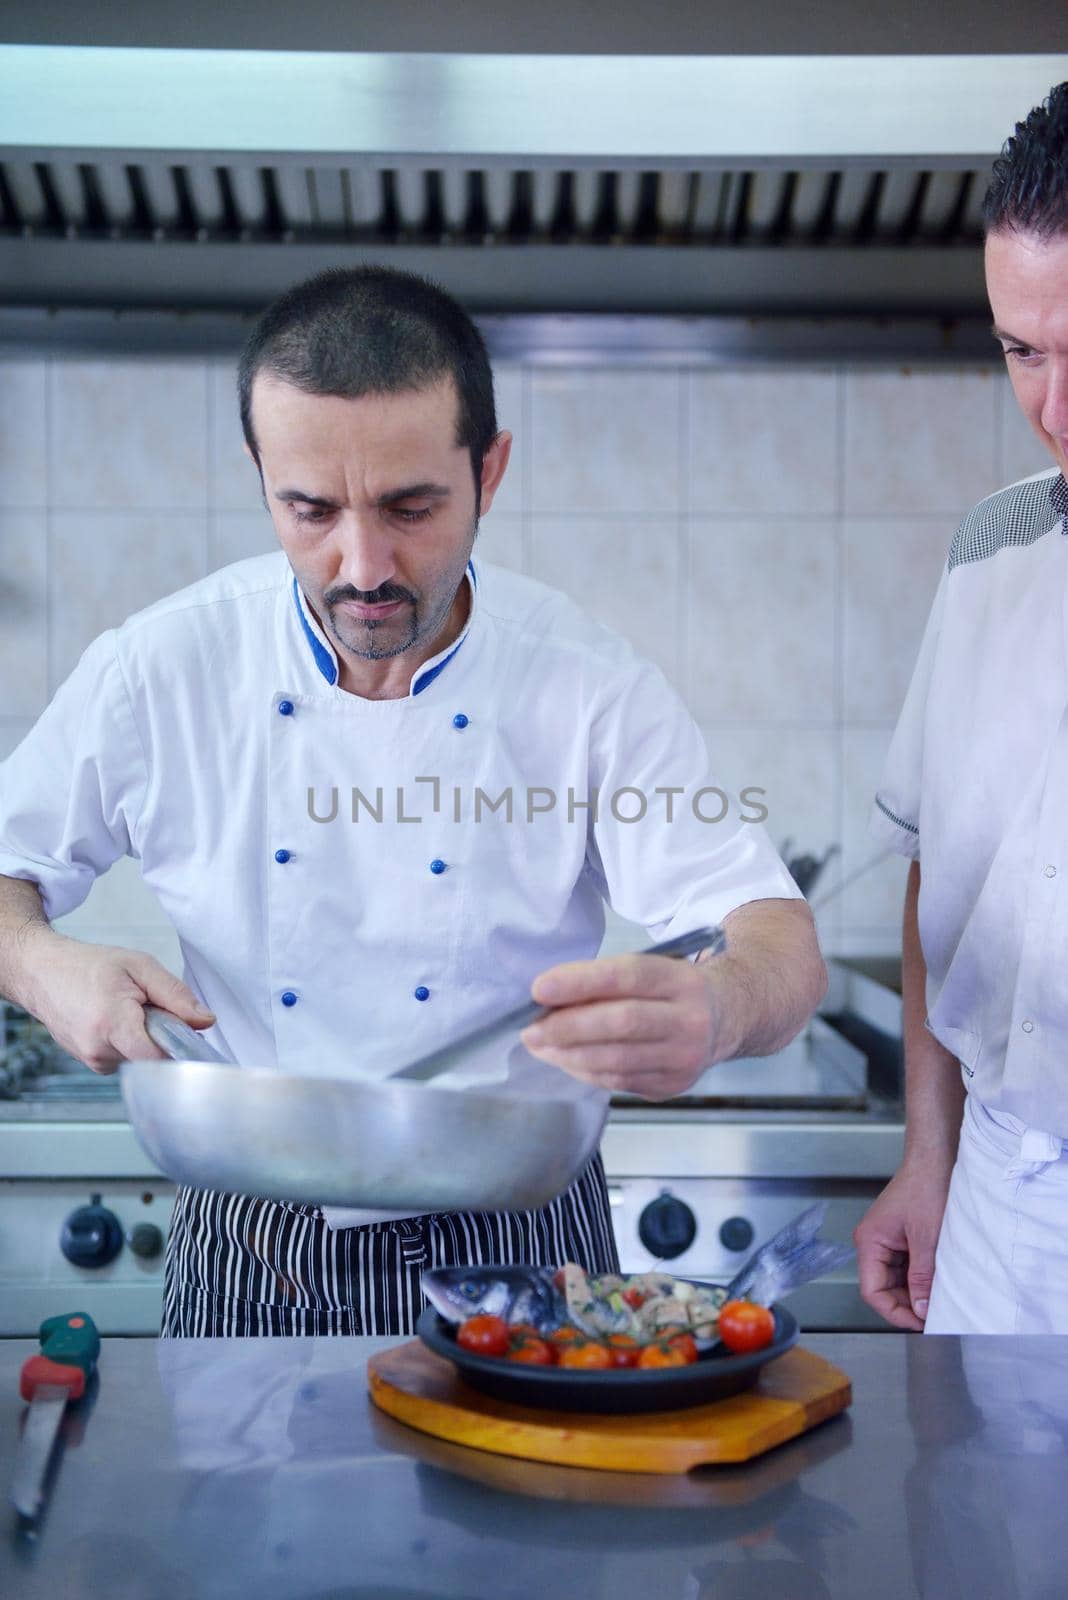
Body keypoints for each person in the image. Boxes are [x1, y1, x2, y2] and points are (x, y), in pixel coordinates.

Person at [0, 267, 825, 1336]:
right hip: (258, 1236)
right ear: (261, 478)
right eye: (311, 509)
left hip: (522, 1232)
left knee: (537, 1504)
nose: (363, 564)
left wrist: (716, 1011)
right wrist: (43, 962)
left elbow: (778, 939)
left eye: (411, 506)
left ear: (491, 470)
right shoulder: (163, 668)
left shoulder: (583, 683)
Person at [856, 82, 1068, 1334]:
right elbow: (940, 874)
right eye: (1023, 352)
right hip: (1002, 1204)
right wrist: (929, 1156)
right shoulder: (993, 549)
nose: (1053, 410)